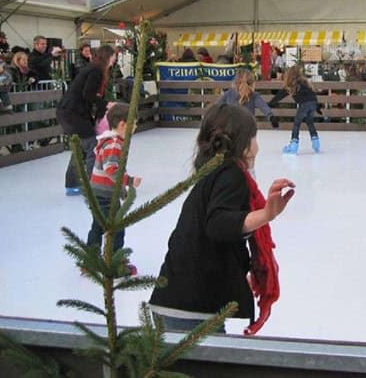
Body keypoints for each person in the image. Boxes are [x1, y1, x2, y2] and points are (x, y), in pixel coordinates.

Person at [149, 103, 296, 334]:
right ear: (243, 143)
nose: (257, 147)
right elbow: (218, 225)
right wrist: (267, 214)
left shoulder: (213, 172)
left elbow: (213, 241)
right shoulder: (231, 174)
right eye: (254, 137)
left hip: (176, 297)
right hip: (192, 309)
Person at [87, 103, 141, 275]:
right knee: (116, 228)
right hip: (104, 194)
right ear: (123, 125)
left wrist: (122, 191)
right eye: (134, 123)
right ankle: (115, 262)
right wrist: (129, 181)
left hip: (98, 191)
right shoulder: (114, 143)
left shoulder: (109, 140)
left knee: (98, 226)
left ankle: (90, 261)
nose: (136, 127)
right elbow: (111, 170)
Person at [56, 45, 115, 196]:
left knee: (80, 147)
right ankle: (91, 184)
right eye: (114, 56)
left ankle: (72, 184)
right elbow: (88, 94)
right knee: (92, 146)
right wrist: (105, 104)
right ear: (108, 56)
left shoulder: (92, 68)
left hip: (69, 111)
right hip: (73, 113)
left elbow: (89, 95)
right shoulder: (96, 71)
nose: (115, 60)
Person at [268, 65, 321, 154]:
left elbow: (280, 95)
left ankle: (294, 145)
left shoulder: (291, 84)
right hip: (313, 103)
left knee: (297, 123)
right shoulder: (305, 82)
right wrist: (317, 106)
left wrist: (270, 103)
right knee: (310, 122)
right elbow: (312, 94)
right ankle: (316, 143)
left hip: (304, 104)